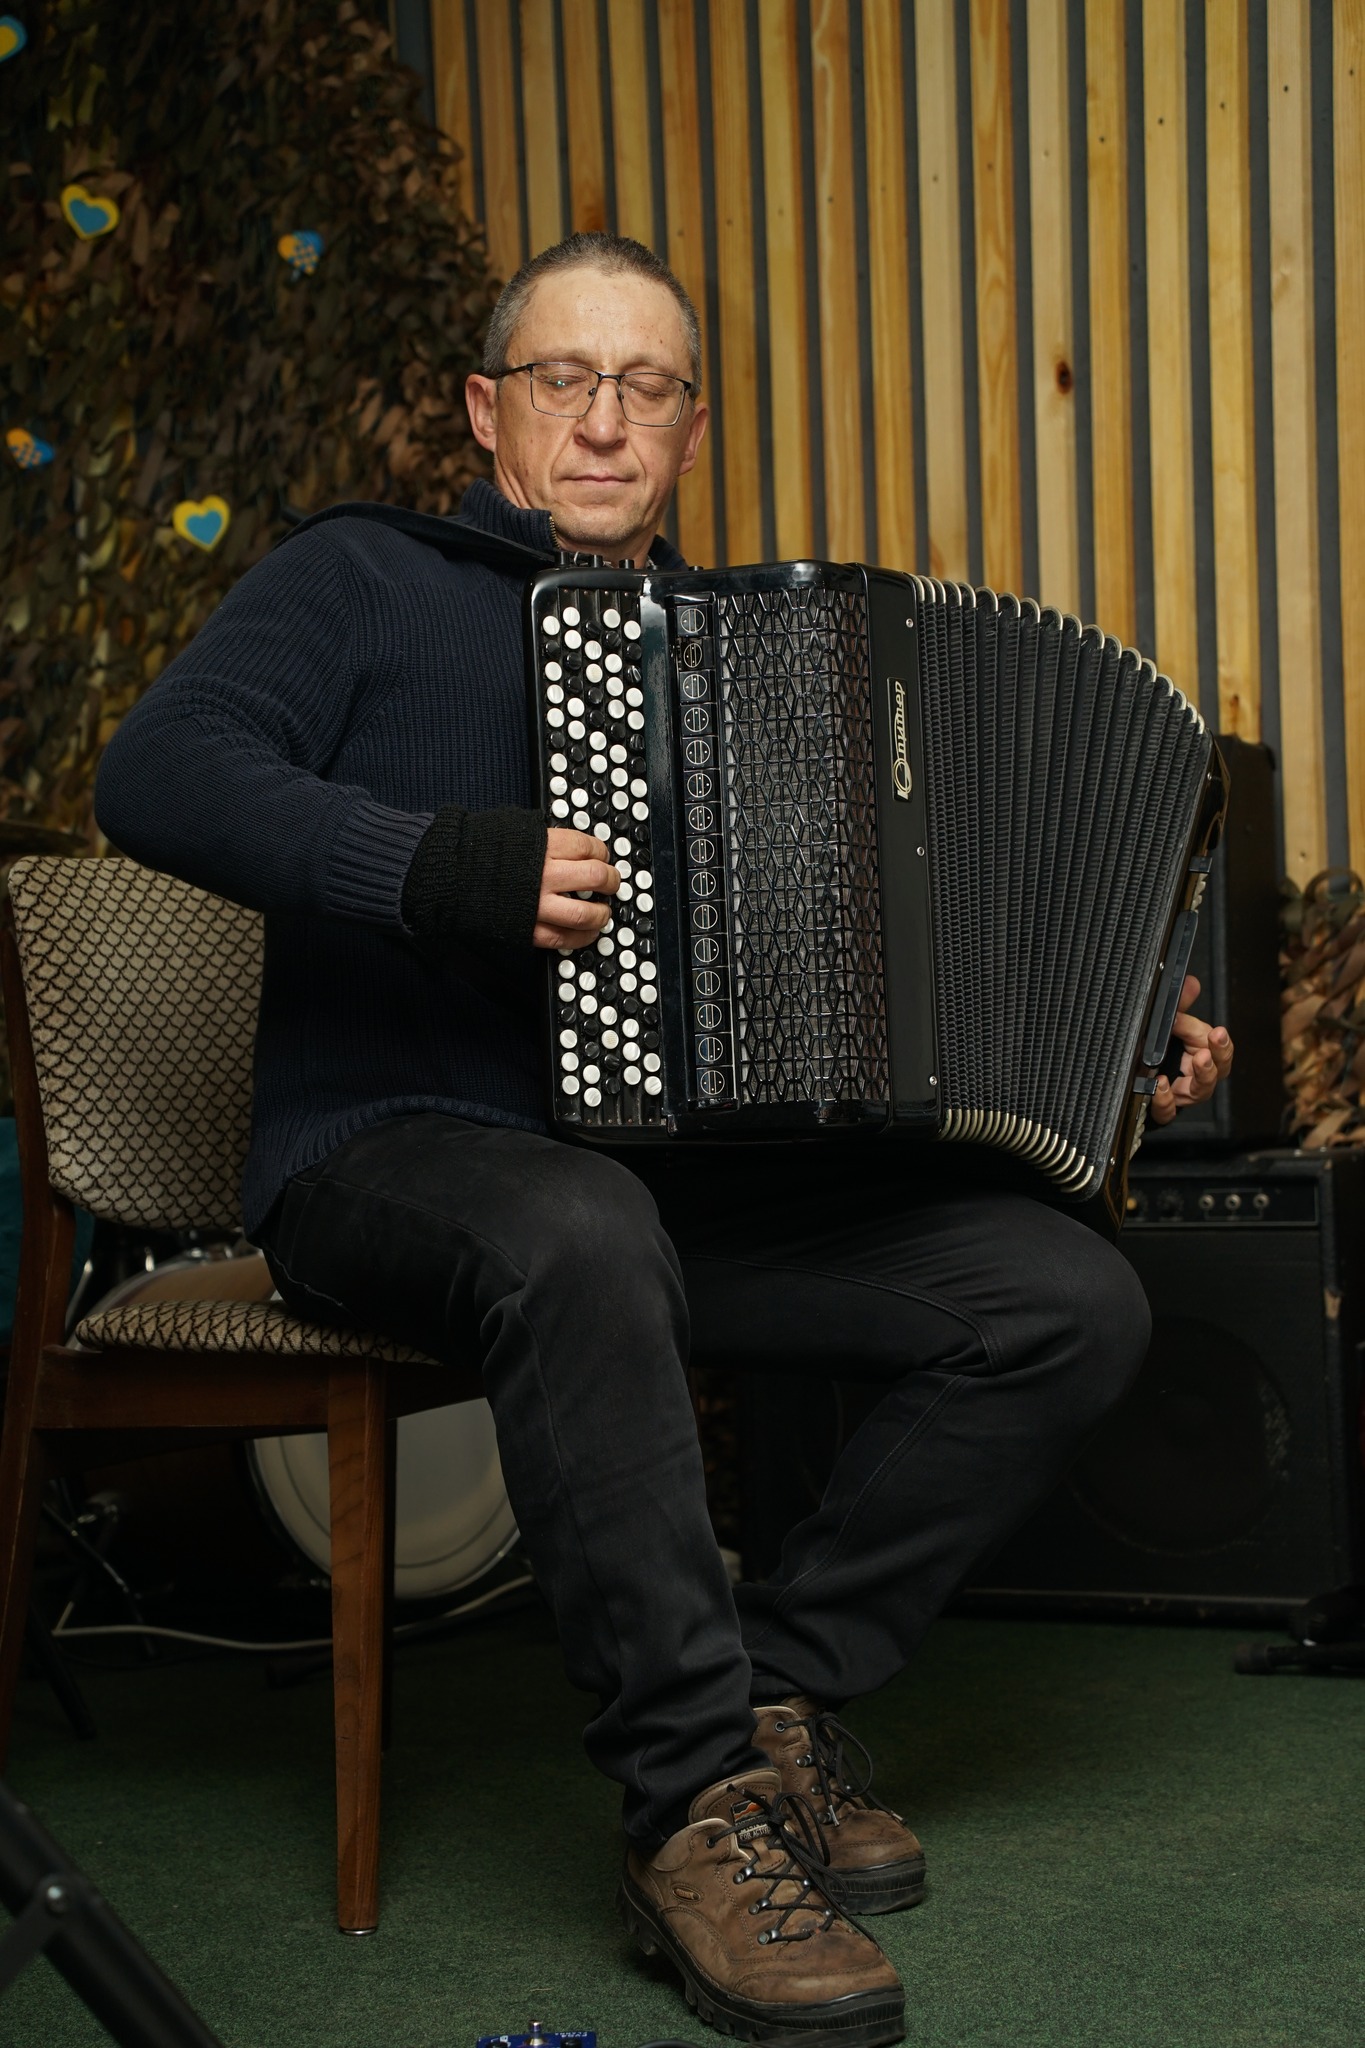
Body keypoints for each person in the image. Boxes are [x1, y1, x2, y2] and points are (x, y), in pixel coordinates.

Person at [95, 231, 1233, 2048]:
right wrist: (433, 865)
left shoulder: (748, 656)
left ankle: (774, 1707)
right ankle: (691, 1810)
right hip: (392, 1151)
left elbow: (896, 957)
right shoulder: (361, 578)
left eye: (647, 388)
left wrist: (1106, 1039)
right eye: (565, 380)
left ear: (692, 431)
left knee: (1056, 1299)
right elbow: (155, 774)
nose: (605, 422)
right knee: (574, 1224)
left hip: (661, 1179)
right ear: (487, 410)